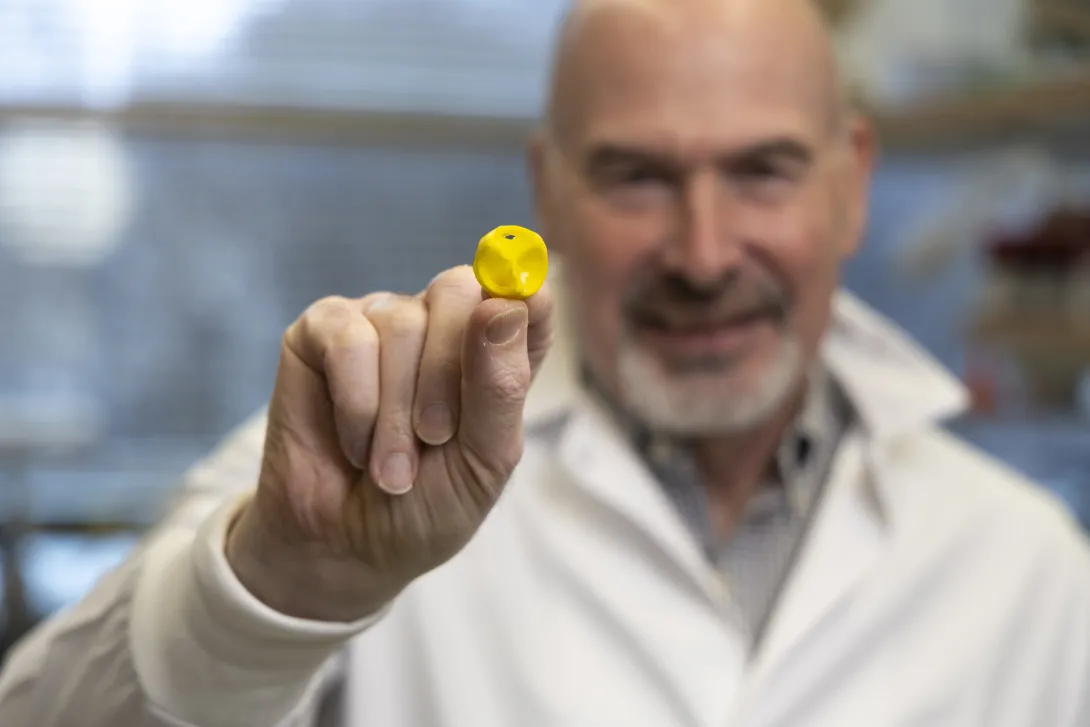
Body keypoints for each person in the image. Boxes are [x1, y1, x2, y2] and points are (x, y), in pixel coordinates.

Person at [3, 0, 1089, 724]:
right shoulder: (365, 460)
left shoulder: (1026, 564)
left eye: (763, 170)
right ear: (547, 191)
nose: (704, 255)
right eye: (635, 177)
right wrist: (284, 588)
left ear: (850, 182)